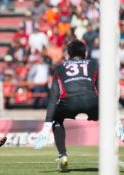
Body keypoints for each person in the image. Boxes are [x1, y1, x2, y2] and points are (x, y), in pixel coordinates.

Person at [33, 40, 124, 172]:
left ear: (68, 54)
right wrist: (117, 122)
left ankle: (62, 155)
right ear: (85, 52)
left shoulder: (59, 68)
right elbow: (104, 92)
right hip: (91, 102)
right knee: (107, 119)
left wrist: (46, 126)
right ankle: (111, 151)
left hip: (68, 103)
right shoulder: (93, 64)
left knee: (57, 119)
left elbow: (53, 97)